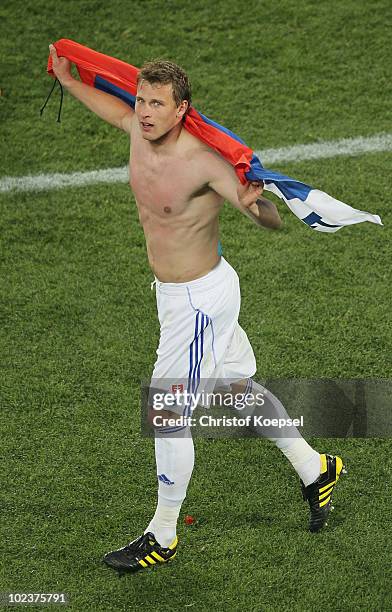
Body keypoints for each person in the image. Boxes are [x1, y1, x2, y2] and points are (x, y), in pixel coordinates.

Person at [49, 44, 345, 574]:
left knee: (166, 414)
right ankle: (315, 467)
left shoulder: (204, 163)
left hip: (200, 302)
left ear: (182, 109)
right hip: (179, 295)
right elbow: (110, 108)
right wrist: (70, 82)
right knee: (235, 391)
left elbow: (268, 219)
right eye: (141, 100)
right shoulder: (138, 131)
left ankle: (163, 535)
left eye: (157, 104)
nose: (143, 111)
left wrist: (258, 208)